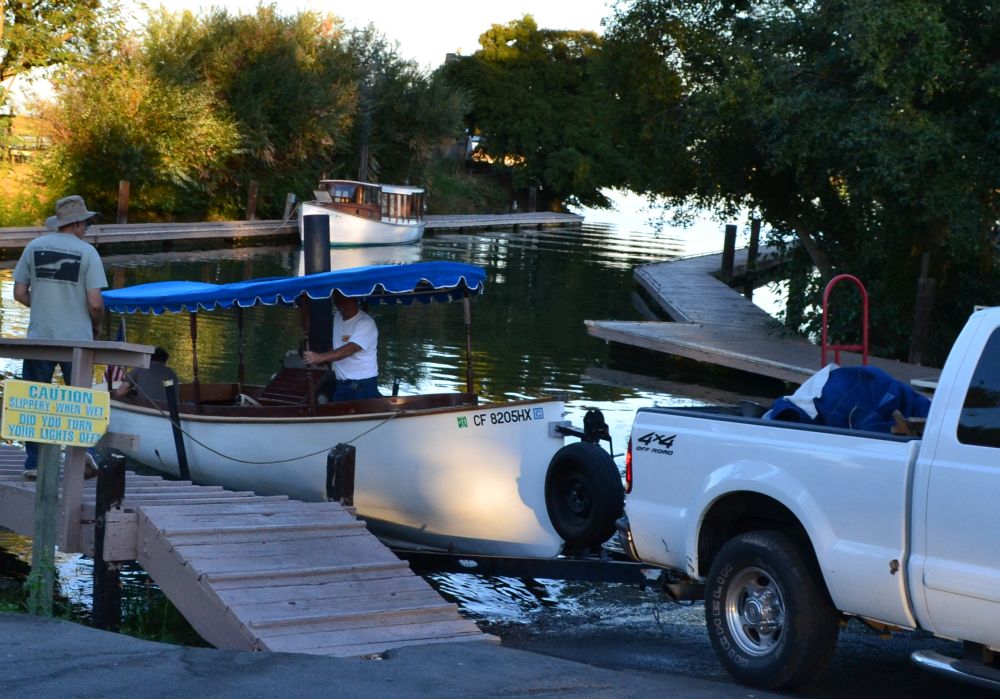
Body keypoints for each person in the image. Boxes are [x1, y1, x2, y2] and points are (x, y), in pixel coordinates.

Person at [13, 195, 108, 479]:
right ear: (76, 223)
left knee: (34, 401)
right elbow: (95, 303)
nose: (87, 229)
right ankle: (85, 458)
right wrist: (97, 325)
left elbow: (19, 293)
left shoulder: (33, 247)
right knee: (79, 400)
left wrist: (43, 305)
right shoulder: (88, 253)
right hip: (76, 341)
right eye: (87, 224)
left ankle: (33, 464)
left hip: (40, 339)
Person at [302, 291, 380, 401]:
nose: (343, 305)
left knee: (358, 416)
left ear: (355, 300)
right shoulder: (337, 317)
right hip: (341, 383)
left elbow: (350, 349)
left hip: (363, 384)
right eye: (339, 302)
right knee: (338, 413)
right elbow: (337, 344)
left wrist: (320, 357)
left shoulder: (366, 323)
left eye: (346, 301)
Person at [113, 346, 178, 402]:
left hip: (147, 407)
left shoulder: (138, 369)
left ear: (149, 358)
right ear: (165, 360)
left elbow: (120, 392)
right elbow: (168, 390)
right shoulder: (170, 373)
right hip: (171, 409)